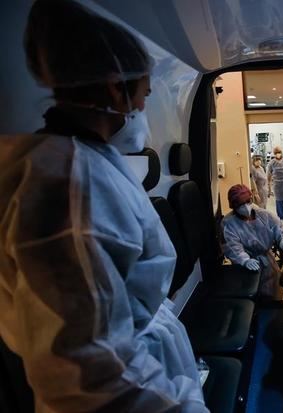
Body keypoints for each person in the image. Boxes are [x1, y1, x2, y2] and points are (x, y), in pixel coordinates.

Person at [0, 1, 208, 412]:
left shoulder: (81, 160)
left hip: (139, 360)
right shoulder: (71, 189)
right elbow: (90, 372)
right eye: (144, 94)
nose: (144, 109)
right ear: (116, 88)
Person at [222, 184, 283, 299]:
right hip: (247, 268)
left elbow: (281, 231)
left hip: (268, 261)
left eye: (248, 201)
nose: (246, 207)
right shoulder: (229, 223)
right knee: (254, 296)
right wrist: (244, 260)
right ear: (234, 205)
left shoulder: (264, 215)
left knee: (273, 291)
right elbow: (232, 247)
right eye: (241, 204)